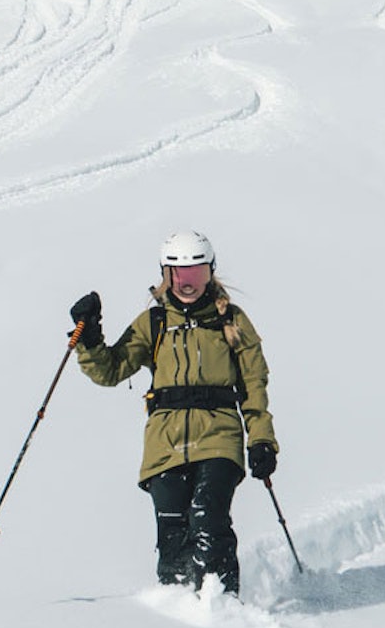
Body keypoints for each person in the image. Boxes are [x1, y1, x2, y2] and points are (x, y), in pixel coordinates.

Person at [69, 230, 279, 595]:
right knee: (172, 531)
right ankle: (180, 610)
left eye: (196, 274)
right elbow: (111, 370)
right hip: (164, 443)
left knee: (208, 517)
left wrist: (261, 440)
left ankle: (222, 602)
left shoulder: (230, 320)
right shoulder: (154, 323)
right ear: (166, 275)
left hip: (219, 436)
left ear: (210, 273)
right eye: (179, 275)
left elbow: (253, 385)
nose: (187, 284)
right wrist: (89, 338)